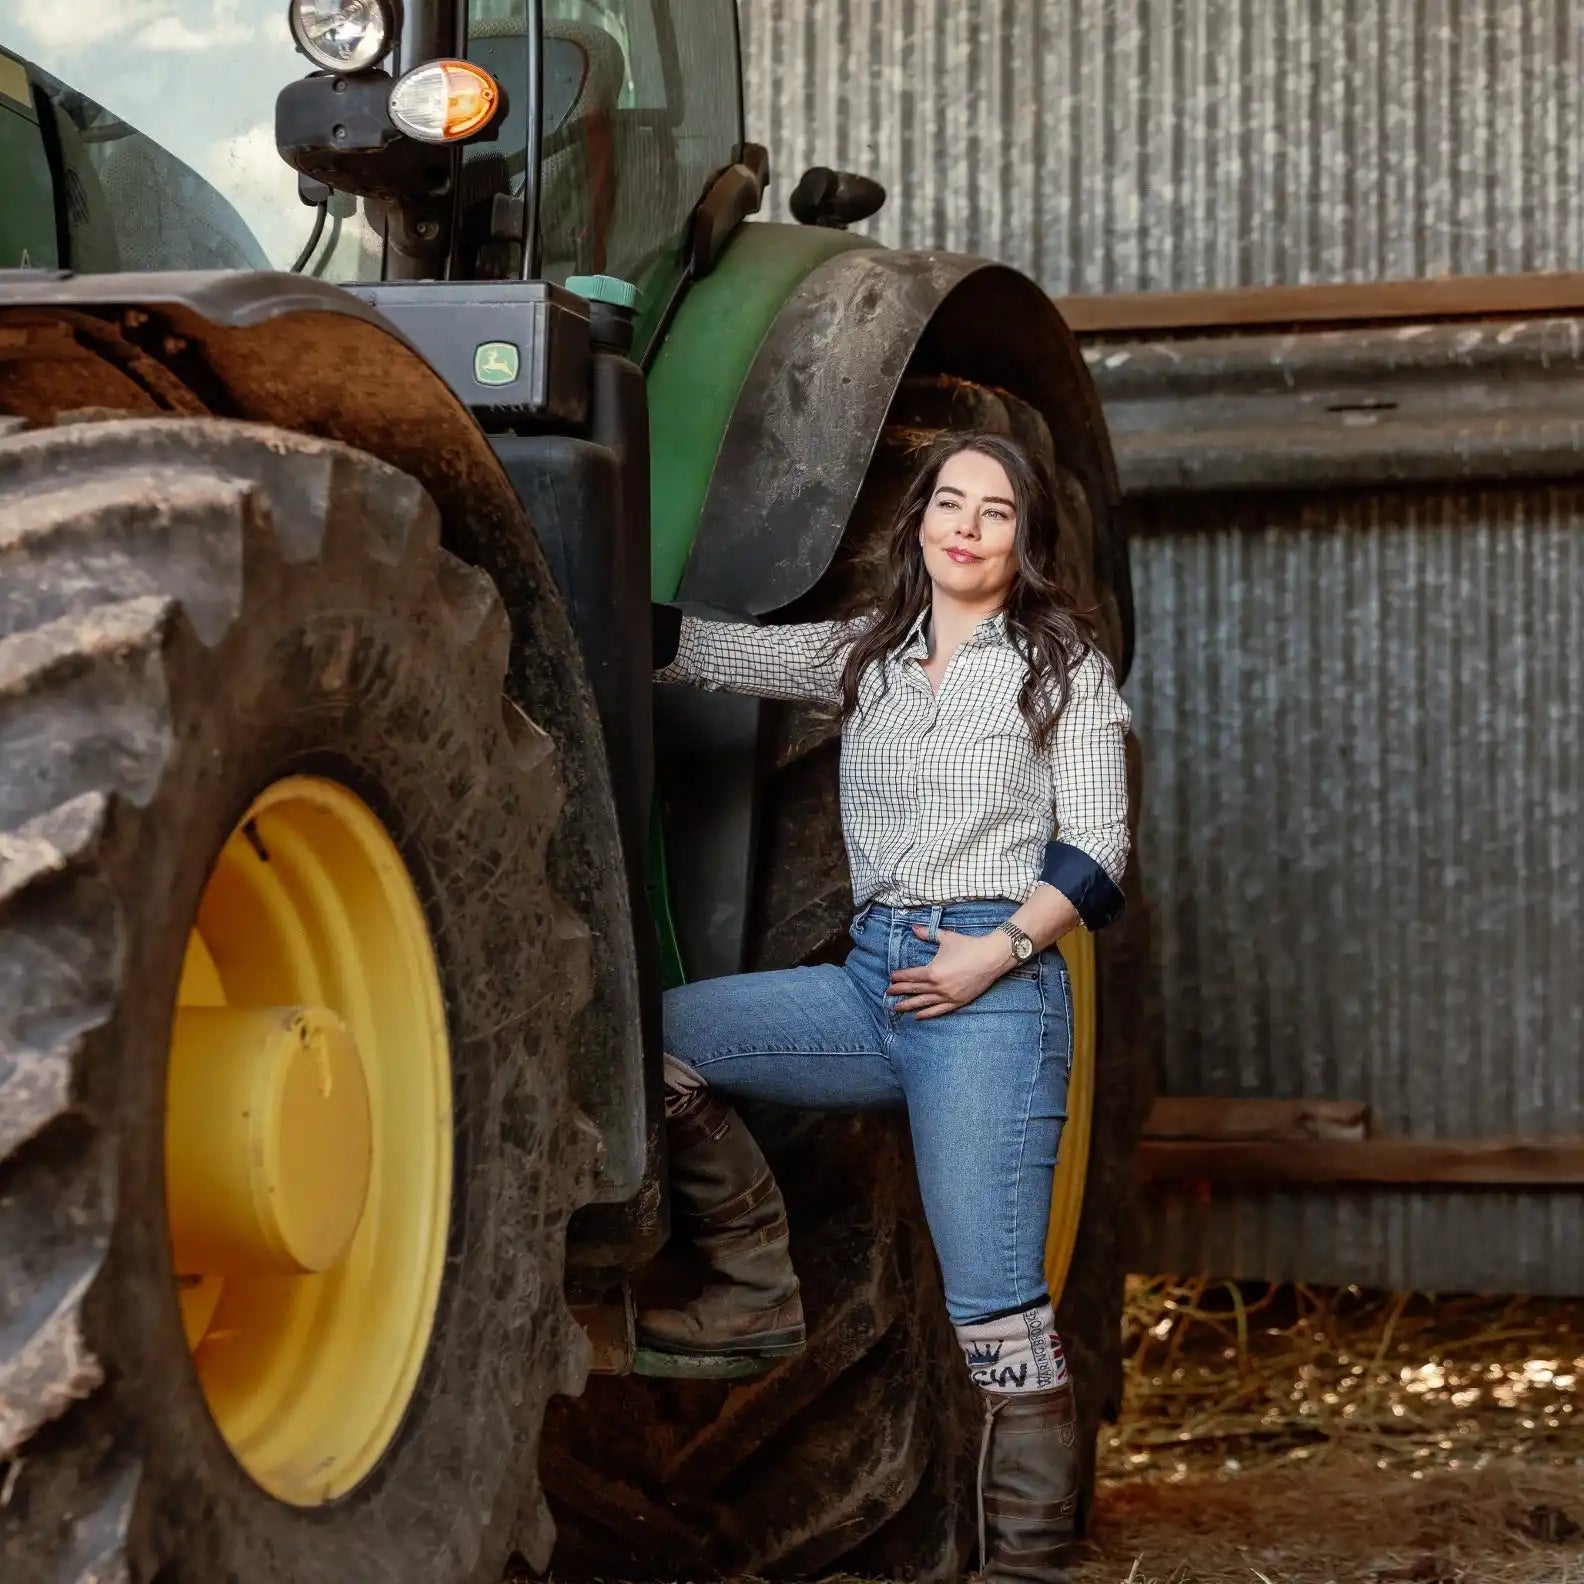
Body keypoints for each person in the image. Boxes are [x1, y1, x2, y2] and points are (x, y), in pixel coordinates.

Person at [648, 431, 1131, 1583]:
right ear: (920, 520)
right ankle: (751, 1286)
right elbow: (704, 651)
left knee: (997, 1319)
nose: (966, 527)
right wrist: (573, 556)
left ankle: (1028, 1569)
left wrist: (994, 954)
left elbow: (1099, 848)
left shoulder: (1060, 667)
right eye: (949, 503)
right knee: (662, 1043)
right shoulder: (867, 652)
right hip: (873, 985)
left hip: (989, 1003)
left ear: (1025, 537)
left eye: (995, 511)